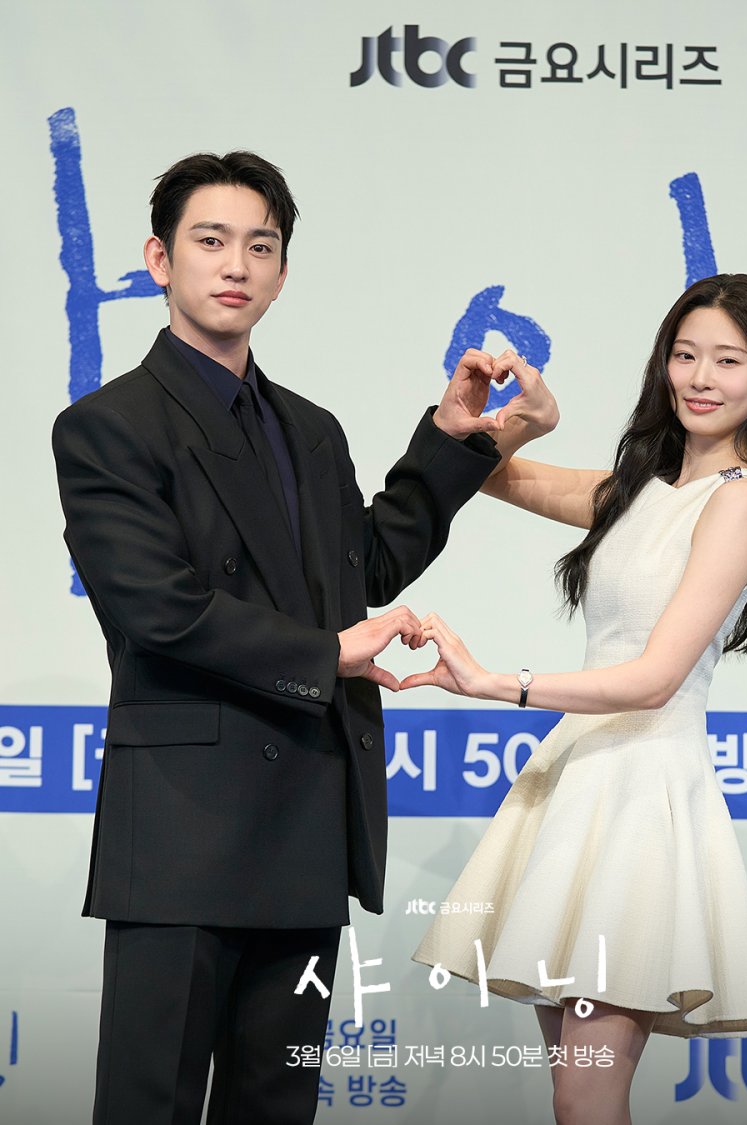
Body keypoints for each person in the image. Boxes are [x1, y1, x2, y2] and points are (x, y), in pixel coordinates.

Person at [51, 150, 541, 1125]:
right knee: (148, 1105)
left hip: (309, 820)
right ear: (159, 260)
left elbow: (361, 569)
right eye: (211, 240)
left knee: (276, 1107)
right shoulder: (107, 426)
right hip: (183, 832)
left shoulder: (310, 429)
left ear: (280, 273)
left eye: (261, 246)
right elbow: (157, 607)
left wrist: (457, 440)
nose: (236, 264)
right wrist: (328, 655)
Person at [404, 274, 747, 1125]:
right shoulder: (636, 489)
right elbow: (489, 475)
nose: (700, 378)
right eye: (685, 355)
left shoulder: (742, 501)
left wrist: (497, 683)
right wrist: (531, 421)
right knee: (575, 1098)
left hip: (643, 795)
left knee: (586, 1094)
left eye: (728, 361)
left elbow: (654, 678)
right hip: (579, 782)